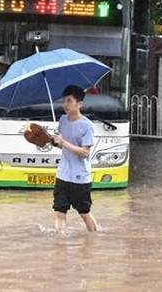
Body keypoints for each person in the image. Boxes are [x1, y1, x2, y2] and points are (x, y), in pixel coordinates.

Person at [52, 85, 98, 232]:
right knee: (59, 212)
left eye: (69, 101)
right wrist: (52, 141)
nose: (65, 104)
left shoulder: (87, 126)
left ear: (79, 104)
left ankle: (93, 240)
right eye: (64, 101)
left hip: (80, 178)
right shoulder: (62, 120)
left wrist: (64, 142)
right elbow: (63, 147)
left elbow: (85, 153)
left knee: (84, 213)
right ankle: (60, 245)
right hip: (63, 175)